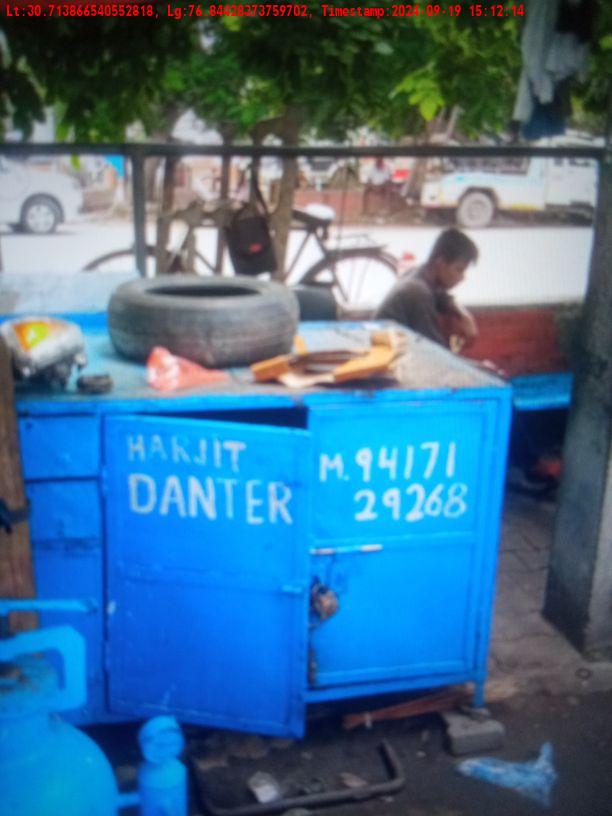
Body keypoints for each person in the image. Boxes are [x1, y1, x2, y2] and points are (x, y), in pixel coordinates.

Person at [375, 228, 479, 350]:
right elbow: (435, 350)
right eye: (459, 270)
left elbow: (442, 297)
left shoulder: (420, 274)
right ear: (440, 262)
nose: (462, 278)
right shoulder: (418, 293)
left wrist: (464, 316)